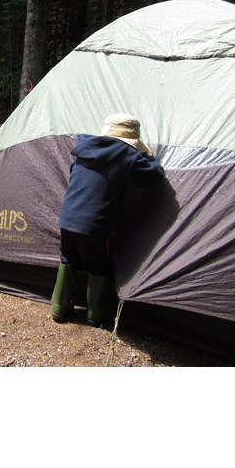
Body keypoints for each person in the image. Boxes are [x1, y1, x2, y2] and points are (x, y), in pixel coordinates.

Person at [51, 114, 165, 327]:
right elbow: (154, 177)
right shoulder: (126, 155)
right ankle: (96, 314)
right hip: (95, 226)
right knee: (98, 266)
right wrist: (147, 155)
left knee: (68, 258)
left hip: (67, 217)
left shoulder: (84, 148)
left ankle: (59, 309)